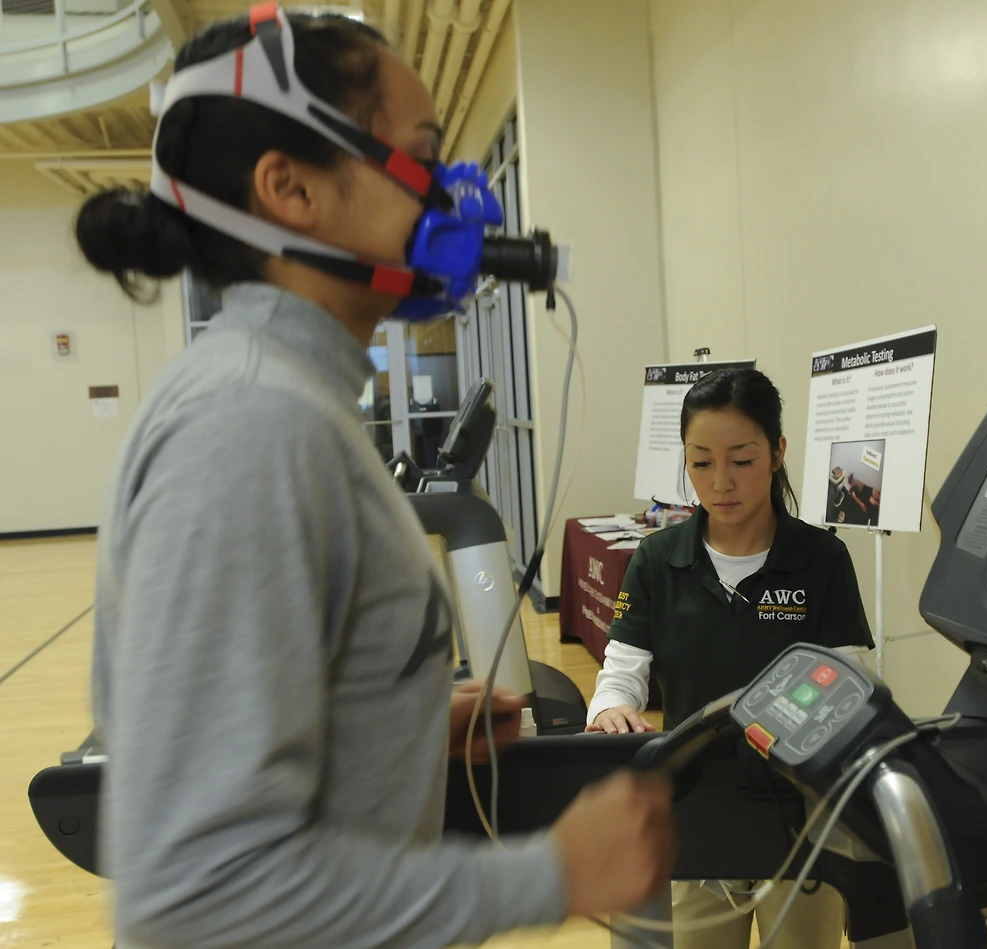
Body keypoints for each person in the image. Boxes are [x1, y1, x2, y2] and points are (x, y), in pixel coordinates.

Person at [76, 11, 674, 949]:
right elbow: (197, 901)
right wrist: (546, 875)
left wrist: (388, 729)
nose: (454, 192)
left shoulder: (292, 402)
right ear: (290, 188)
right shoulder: (249, 429)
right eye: (426, 155)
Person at [585, 367, 874, 949]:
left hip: (802, 812)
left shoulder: (821, 559)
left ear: (777, 453)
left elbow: (852, 687)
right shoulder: (658, 560)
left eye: (741, 460)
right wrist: (612, 708)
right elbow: (621, 674)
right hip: (697, 809)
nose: (721, 483)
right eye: (701, 462)